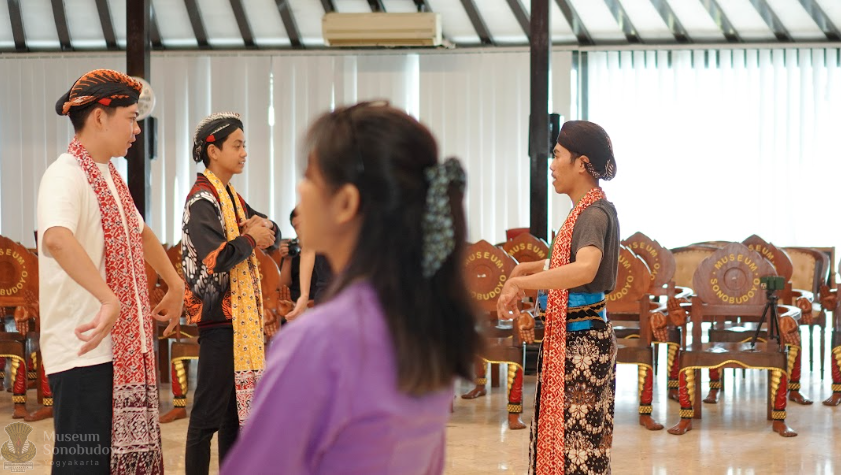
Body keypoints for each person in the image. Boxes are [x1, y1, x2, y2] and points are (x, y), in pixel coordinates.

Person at [220, 102, 481, 474]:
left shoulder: (318, 342)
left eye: (309, 177)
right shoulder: (428, 325)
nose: (300, 189)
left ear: (345, 203)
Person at [38, 69, 183, 474]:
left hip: (118, 349)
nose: (136, 129)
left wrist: (174, 282)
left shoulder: (108, 176)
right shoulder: (65, 174)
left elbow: (143, 233)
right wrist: (107, 297)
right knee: (83, 466)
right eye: (131, 118)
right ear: (100, 117)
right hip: (84, 350)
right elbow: (56, 238)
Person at [497, 121, 619, 475]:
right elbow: (567, 262)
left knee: (579, 453)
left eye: (557, 155)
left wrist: (526, 282)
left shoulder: (593, 214)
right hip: (571, 342)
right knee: (566, 447)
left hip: (582, 346)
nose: (551, 164)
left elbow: (584, 269)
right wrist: (527, 267)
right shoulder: (582, 211)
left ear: (581, 163)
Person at [181, 112, 280, 475]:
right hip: (218, 320)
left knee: (233, 416)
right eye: (236, 145)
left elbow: (274, 230)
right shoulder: (202, 200)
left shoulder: (231, 198)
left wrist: (258, 230)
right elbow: (217, 258)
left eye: (244, 145)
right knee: (207, 417)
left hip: (238, 321)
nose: (244, 153)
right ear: (213, 150)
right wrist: (250, 236)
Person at [278, 207, 333, 315]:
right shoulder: (294, 250)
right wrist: (304, 296)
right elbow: (282, 286)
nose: (302, 229)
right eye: (297, 226)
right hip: (318, 298)